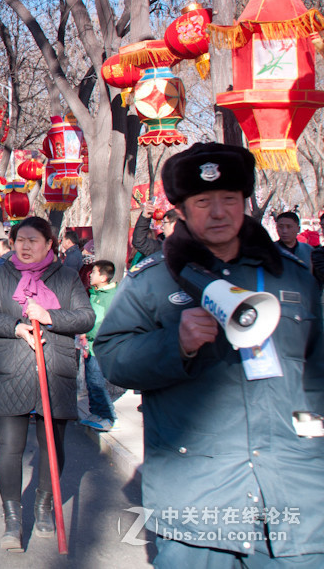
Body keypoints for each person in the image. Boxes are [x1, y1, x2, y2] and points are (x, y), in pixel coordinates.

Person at [97, 143, 324, 567]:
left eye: (230, 200)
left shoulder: (292, 276)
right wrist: (175, 344)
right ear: (181, 210)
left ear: (246, 203)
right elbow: (111, 356)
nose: (218, 212)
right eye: (203, 201)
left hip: (296, 502)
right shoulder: (151, 282)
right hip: (196, 506)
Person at [0, 216, 94, 553]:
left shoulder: (67, 277)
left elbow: (86, 317)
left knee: (51, 447)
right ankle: (12, 519)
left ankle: (44, 506)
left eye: (32, 241)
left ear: (49, 244)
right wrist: (15, 326)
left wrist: (51, 317)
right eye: (19, 240)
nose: (24, 247)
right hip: (10, 369)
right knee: (9, 448)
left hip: (54, 371)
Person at [78, 259, 117, 433]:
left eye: (93, 272)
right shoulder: (97, 293)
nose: (90, 274)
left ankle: (107, 416)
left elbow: (99, 322)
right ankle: (95, 413)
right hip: (89, 346)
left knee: (96, 381)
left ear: (102, 276)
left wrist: (86, 332)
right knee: (91, 381)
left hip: (98, 347)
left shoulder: (108, 297)